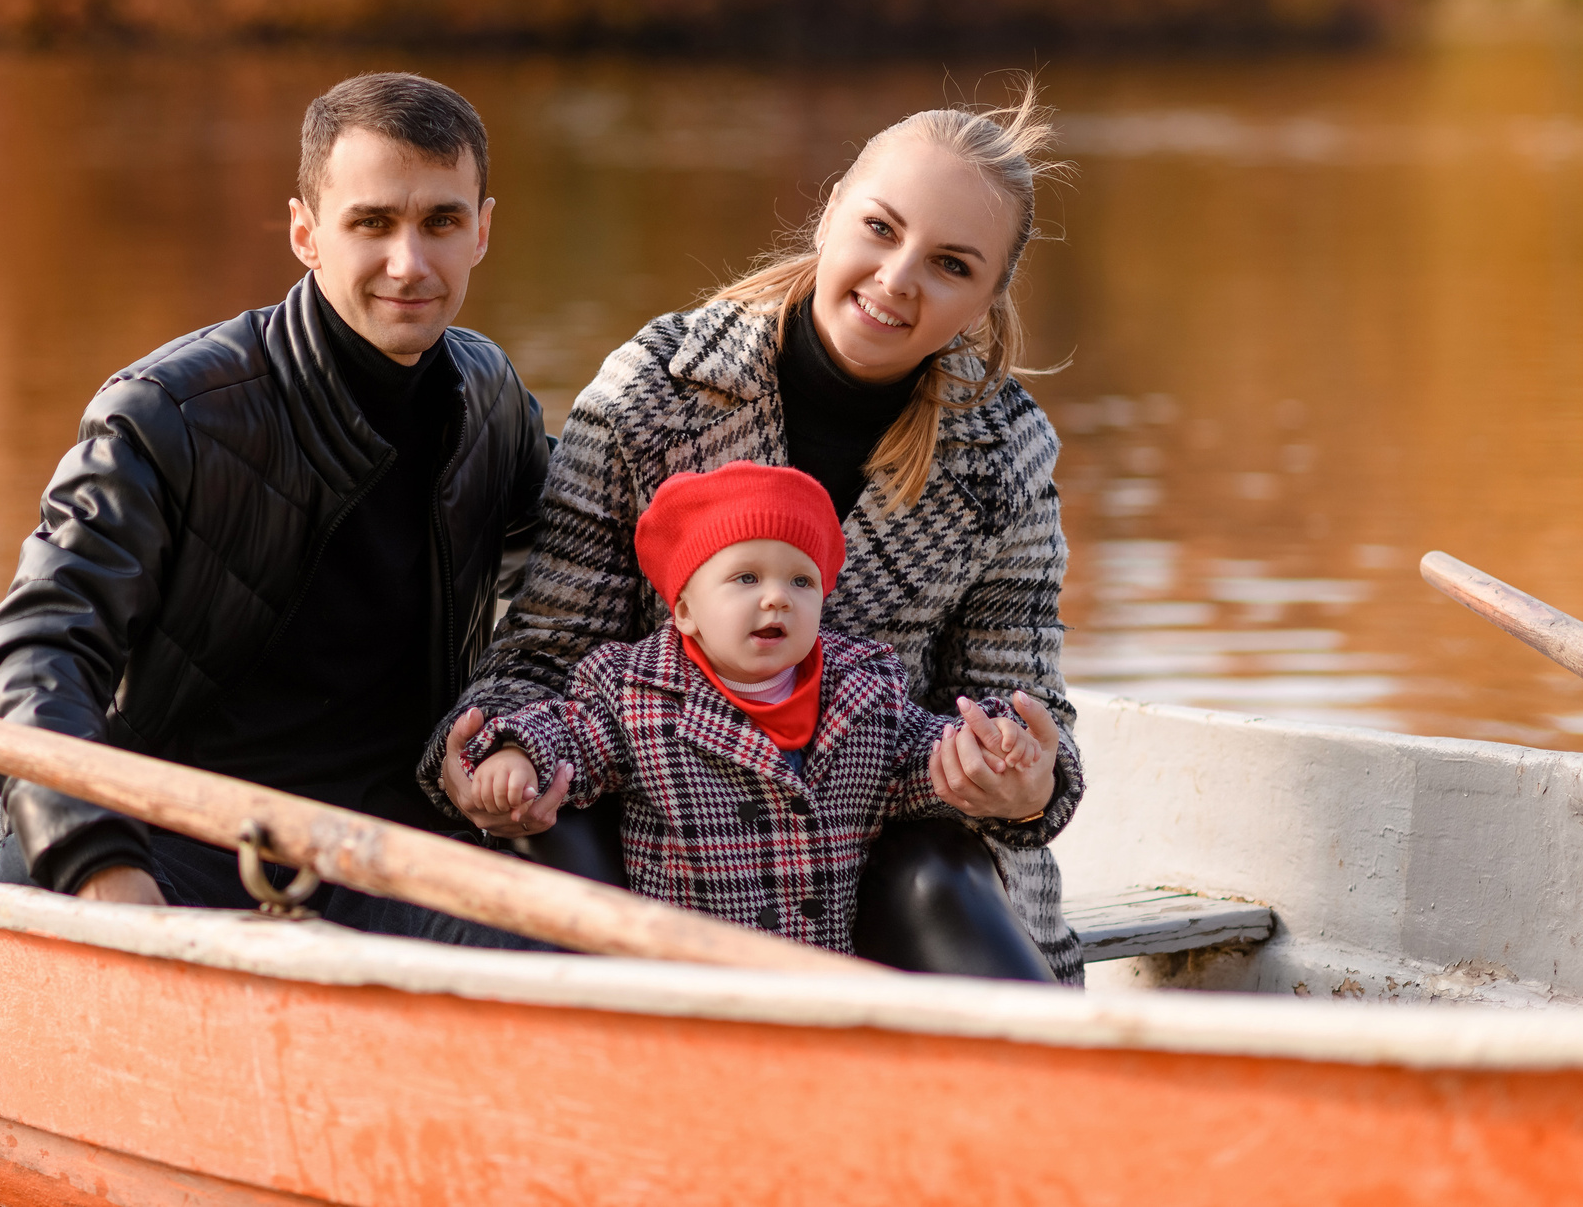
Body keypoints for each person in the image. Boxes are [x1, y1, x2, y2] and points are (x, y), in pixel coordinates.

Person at [425, 86, 1087, 982]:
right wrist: (490, 750)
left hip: (877, 847)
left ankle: (1038, 1100)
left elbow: (1016, 702)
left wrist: (1021, 774)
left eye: (952, 265)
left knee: (934, 863)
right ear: (829, 213)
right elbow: (542, 657)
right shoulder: (654, 394)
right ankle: (623, 1088)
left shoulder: (1002, 449)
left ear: (986, 298)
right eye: (881, 228)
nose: (897, 280)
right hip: (671, 851)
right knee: (548, 829)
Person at [0, 72, 550, 944]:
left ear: (483, 230)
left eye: (442, 223)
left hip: (388, 843)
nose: (409, 263)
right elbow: (33, 652)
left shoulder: (491, 398)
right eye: (372, 223)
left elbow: (569, 580)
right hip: (176, 836)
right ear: (306, 232)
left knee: (573, 960)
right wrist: (97, 863)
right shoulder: (170, 413)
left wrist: (527, 733)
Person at [458, 461, 1051, 951]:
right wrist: (515, 754)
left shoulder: (867, 695)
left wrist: (991, 747)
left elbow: (930, 756)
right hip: (691, 984)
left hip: (824, 981)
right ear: (685, 610)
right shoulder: (637, 695)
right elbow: (568, 734)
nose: (777, 598)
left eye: (801, 581)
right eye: (745, 578)